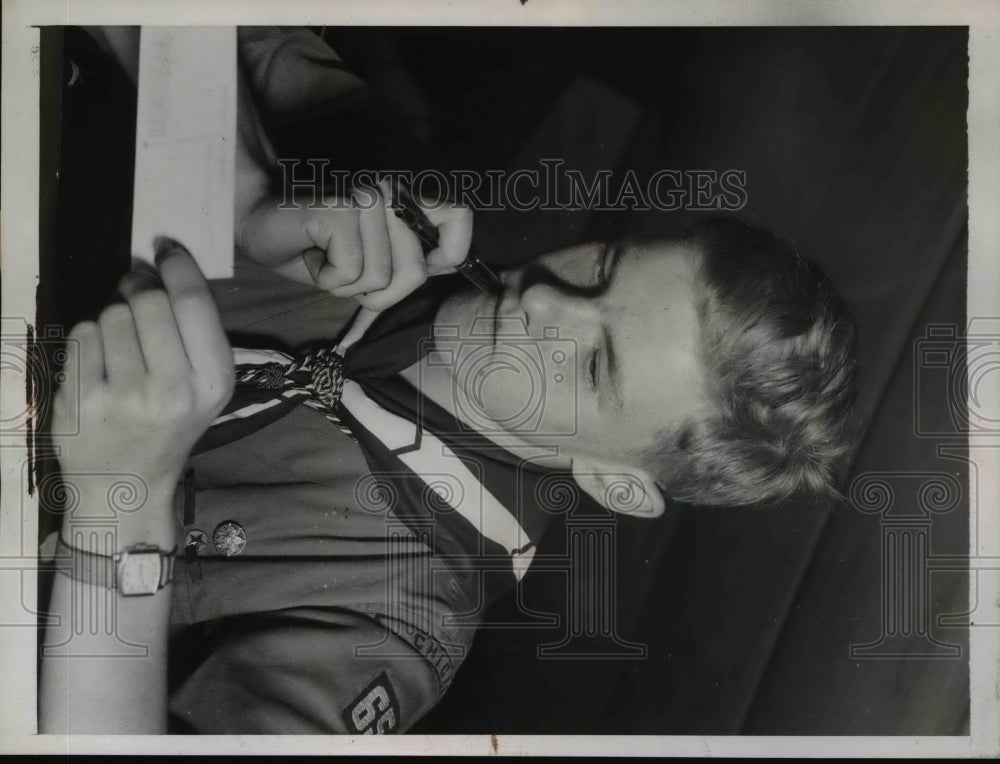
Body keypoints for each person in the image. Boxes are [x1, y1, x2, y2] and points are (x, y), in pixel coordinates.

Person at [39, 27, 859, 734]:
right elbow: (205, 27)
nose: (543, 300)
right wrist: (252, 191)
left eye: (595, 362)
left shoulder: (404, 619)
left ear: (617, 483)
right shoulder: (401, 203)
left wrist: (123, 506)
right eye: (603, 267)